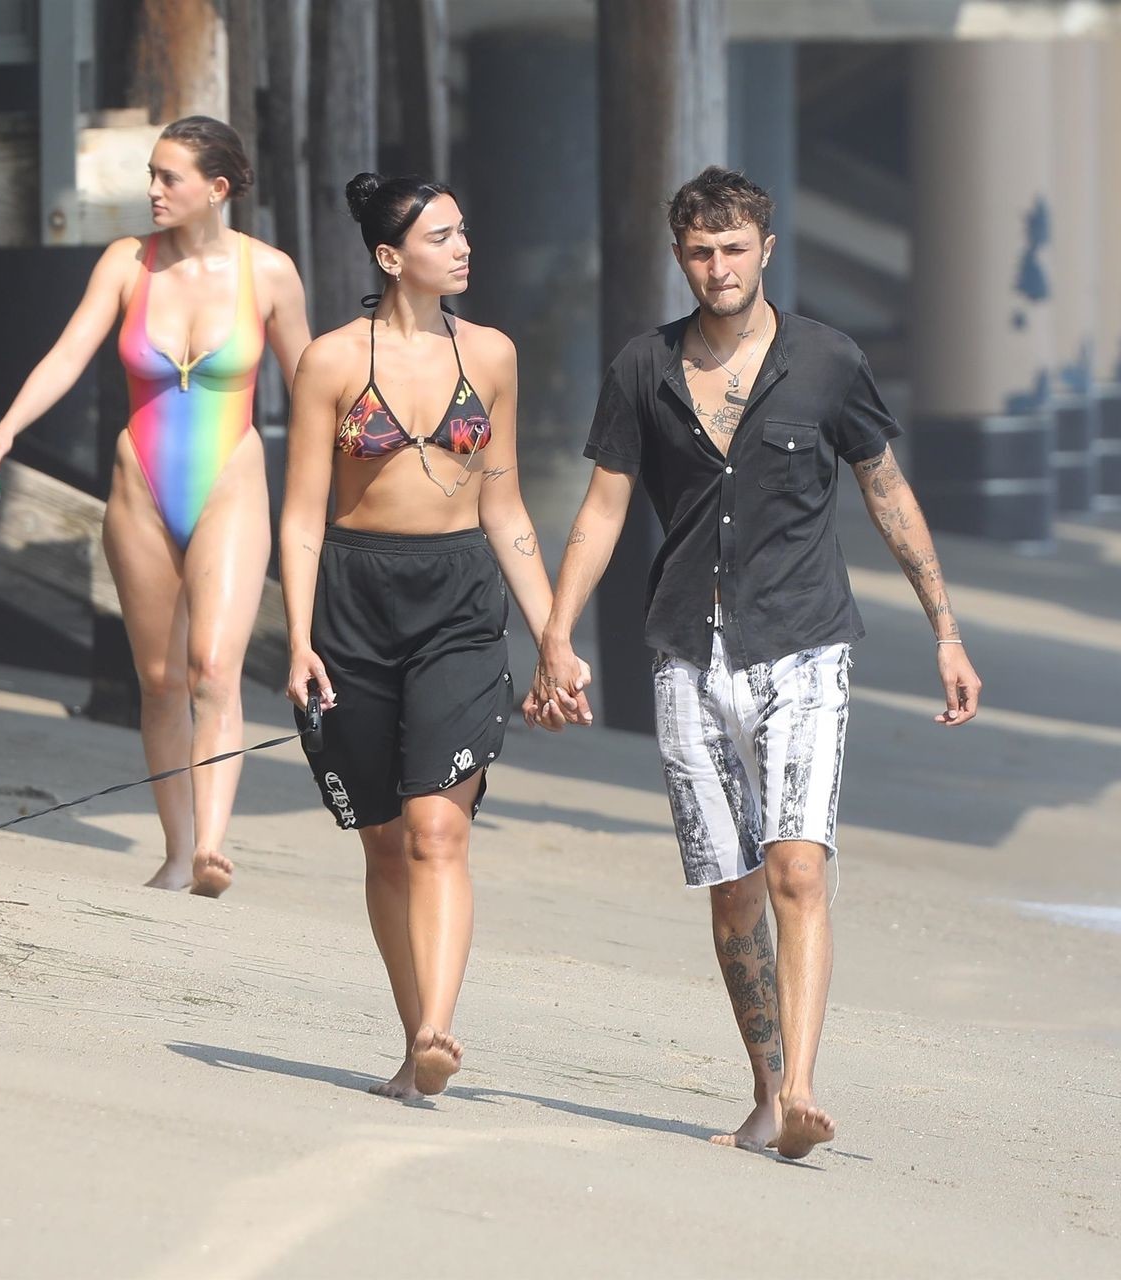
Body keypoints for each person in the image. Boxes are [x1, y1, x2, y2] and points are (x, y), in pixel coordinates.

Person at [526, 166, 982, 1158]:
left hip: (805, 644)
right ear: (679, 256)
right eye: (700, 251)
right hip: (687, 653)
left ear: (766, 250)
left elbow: (887, 491)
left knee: (796, 867)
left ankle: (806, 1088)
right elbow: (604, 507)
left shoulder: (828, 361)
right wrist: (557, 634)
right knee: (731, 887)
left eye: (734, 249)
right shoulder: (643, 368)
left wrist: (944, 629)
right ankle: (769, 1091)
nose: (718, 267)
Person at [280, 173, 574, 1098]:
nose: (462, 247)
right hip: (353, 600)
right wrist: (296, 639)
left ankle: (439, 1029)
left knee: (436, 829)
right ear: (389, 256)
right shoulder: (331, 361)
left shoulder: (491, 354)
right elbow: (300, 515)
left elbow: (506, 507)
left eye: (463, 231)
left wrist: (553, 636)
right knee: (383, 842)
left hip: (459, 603)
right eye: (440, 236)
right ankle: (414, 1044)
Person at [0, 117, 310, 898]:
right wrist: (7, 428)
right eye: (150, 174)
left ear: (216, 188)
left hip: (230, 486)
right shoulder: (127, 263)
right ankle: (178, 851)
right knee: (160, 682)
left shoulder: (269, 273)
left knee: (213, 670)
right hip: (140, 491)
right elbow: (68, 353)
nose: (151, 190)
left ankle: (213, 848)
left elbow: (312, 388)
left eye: (168, 177)